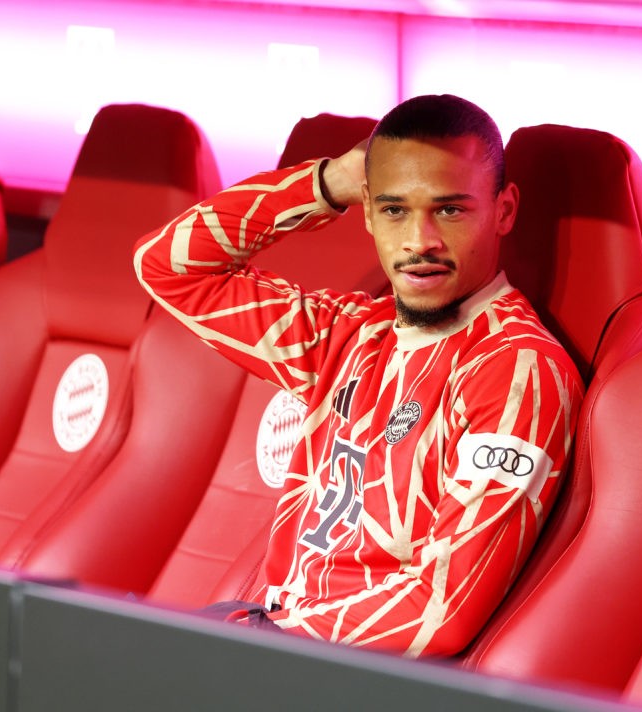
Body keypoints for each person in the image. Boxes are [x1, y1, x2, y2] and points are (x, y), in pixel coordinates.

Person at [133, 94, 583, 657]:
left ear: (505, 210)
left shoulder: (516, 368)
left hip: (347, 676)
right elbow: (168, 267)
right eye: (395, 209)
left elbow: (439, 611)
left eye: (449, 209)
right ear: (368, 211)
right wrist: (329, 182)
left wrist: (261, 643)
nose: (420, 241)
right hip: (272, 645)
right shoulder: (347, 335)